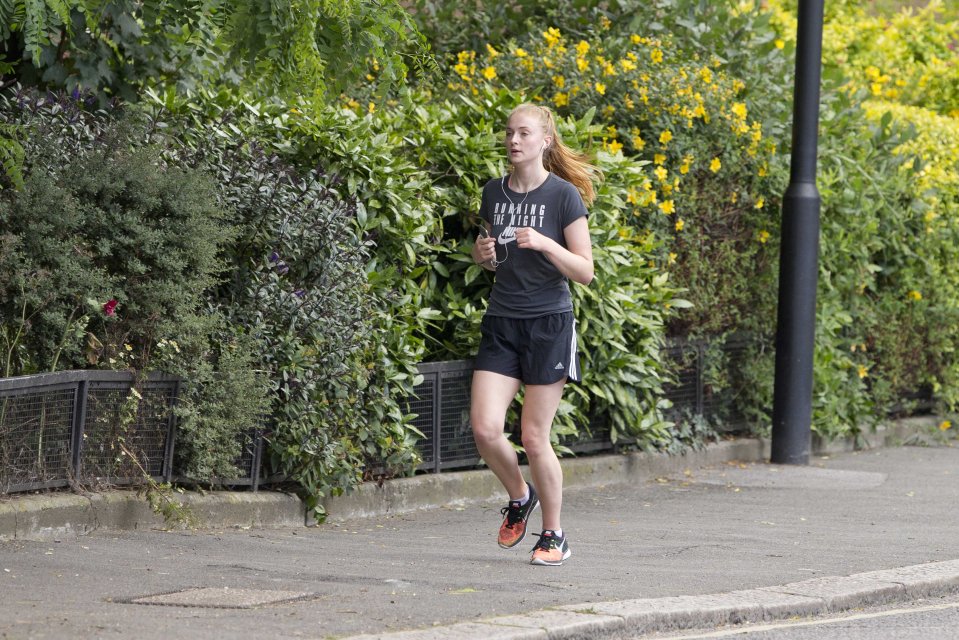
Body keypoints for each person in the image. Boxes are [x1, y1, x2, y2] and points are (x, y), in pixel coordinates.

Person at [470, 103, 600, 566]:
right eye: (509, 132)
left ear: (544, 141)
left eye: (523, 133)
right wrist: (482, 253)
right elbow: (490, 259)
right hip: (502, 321)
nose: (513, 140)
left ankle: (555, 535)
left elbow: (584, 271)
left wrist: (546, 243)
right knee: (485, 429)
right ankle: (520, 496)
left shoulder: (564, 197)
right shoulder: (493, 192)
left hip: (549, 323)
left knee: (533, 435)